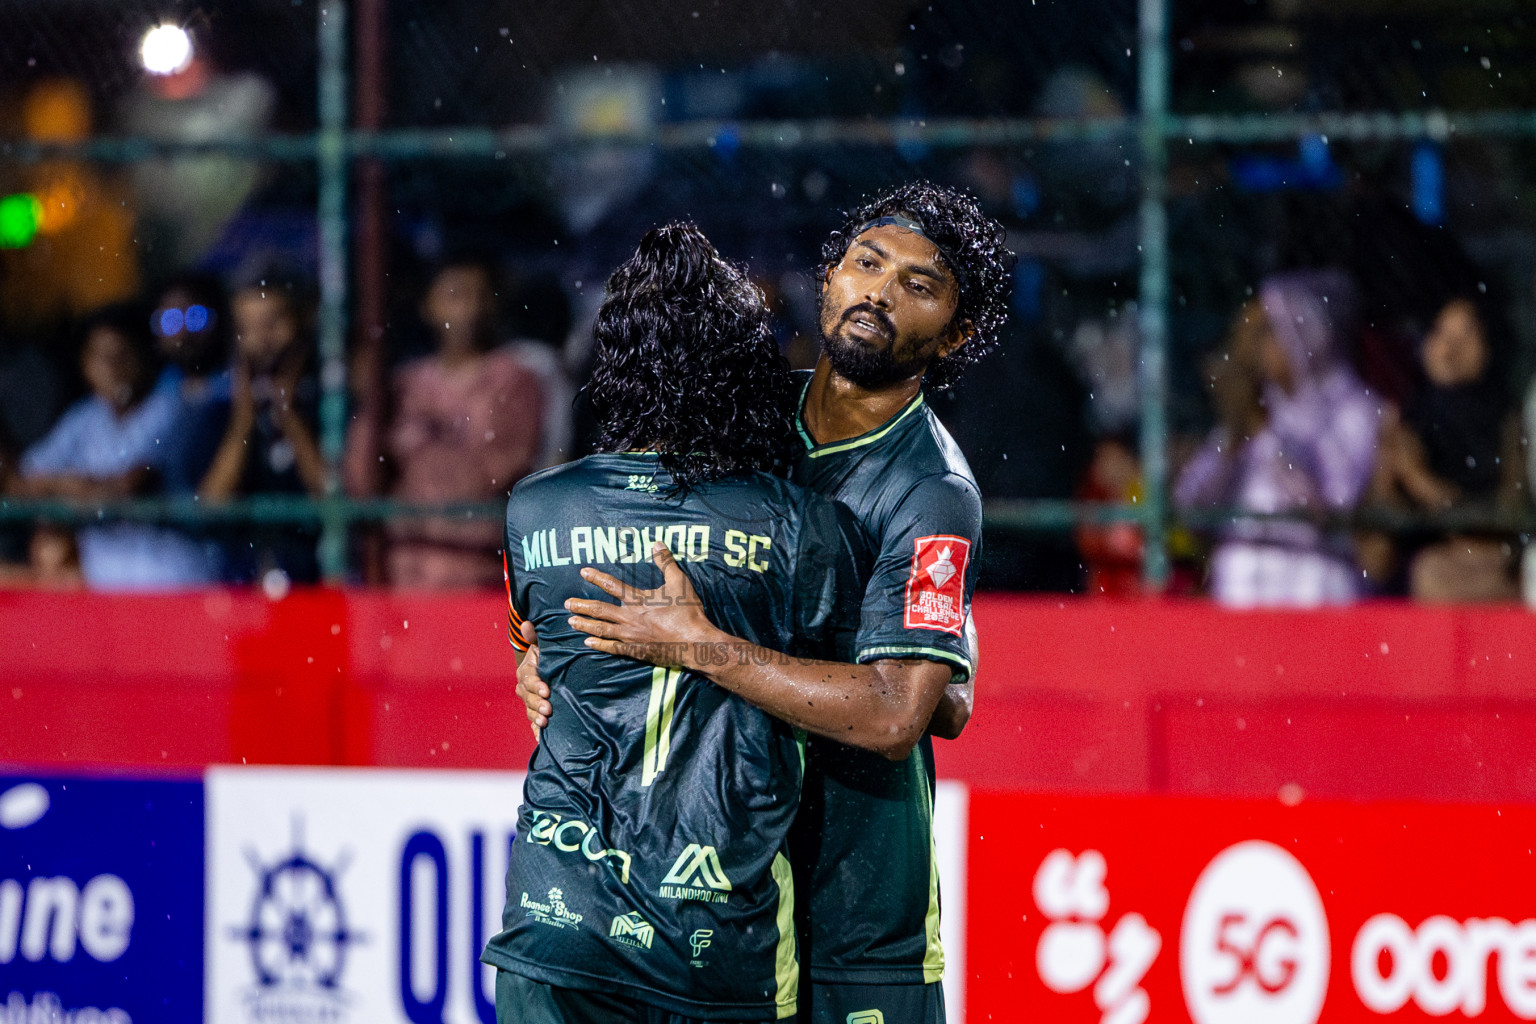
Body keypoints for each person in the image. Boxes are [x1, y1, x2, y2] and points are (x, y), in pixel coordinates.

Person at [525, 182, 1014, 1024]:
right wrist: (546, 658)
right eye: (867, 263)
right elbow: (617, 550)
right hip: (725, 910)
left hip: (857, 916)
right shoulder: (737, 417)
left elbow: (901, 714)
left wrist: (703, 649)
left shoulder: (933, 492)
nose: (879, 292)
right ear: (827, 278)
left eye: (918, 285)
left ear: (955, 334)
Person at [480, 223, 867, 1022]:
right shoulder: (805, 529)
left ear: (614, 367)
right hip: (714, 937)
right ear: (739, 372)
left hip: (558, 926)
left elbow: (534, 656)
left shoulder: (534, 510)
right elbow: (867, 703)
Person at [1175, 271, 1380, 607]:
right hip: (1245, 589)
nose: (1258, 348)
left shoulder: (1356, 409)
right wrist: (1235, 439)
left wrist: (1278, 444)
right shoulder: (1255, 411)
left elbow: (1336, 505)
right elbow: (1191, 504)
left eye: (1269, 332)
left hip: (1316, 583)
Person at [344, 256, 546, 588]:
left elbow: (489, 477)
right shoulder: (402, 385)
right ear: (429, 306)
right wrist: (371, 408)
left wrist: (414, 454)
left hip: (479, 575)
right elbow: (361, 481)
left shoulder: (514, 381)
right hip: (404, 578)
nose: (470, 309)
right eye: (455, 295)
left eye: (480, 295)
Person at [11, 302, 218, 588]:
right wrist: (84, 490)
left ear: (145, 355)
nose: (111, 367)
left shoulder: (173, 409)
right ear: (84, 363)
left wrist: (59, 487)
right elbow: (24, 482)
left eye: (122, 355)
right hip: (107, 589)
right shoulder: (84, 416)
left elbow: (127, 487)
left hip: (172, 584)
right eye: (99, 356)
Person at [1367, 295, 1524, 601]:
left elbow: (1502, 530)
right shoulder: (1412, 419)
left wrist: (1419, 480)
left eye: (1466, 334)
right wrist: (1387, 475)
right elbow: (1375, 560)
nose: (1449, 349)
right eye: (1439, 333)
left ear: (1491, 346)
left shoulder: (1509, 422)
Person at [200, 264, 324, 586]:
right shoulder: (218, 406)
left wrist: (290, 416)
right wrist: (243, 420)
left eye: (274, 322)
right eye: (247, 327)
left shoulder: (332, 402)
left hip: (316, 585)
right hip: (245, 589)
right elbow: (213, 505)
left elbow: (332, 498)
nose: (261, 339)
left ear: (304, 319)